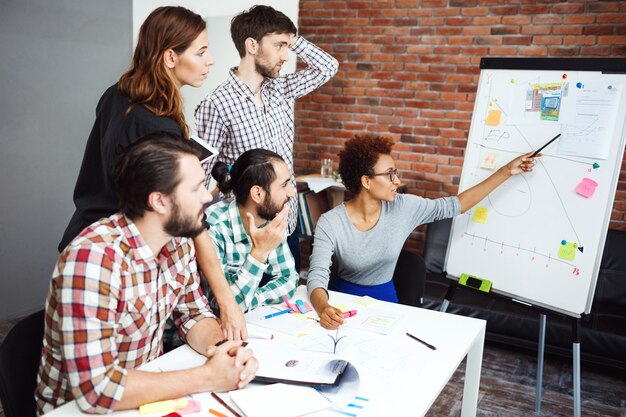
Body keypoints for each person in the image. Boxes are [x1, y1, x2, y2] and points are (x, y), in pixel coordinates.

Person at [57, 6, 247, 340]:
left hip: (84, 236)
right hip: (116, 257)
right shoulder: (158, 124)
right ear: (170, 57)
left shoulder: (117, 94)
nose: (211, 60)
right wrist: (226, 299)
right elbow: (192, 221)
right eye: (201, 52)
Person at [35, 133, 258, 416]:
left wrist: (224, 351)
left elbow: (194, 314)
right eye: (196, 188)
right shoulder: (93, 261)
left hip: (148, 395)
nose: (207, 196)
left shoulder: (178, 241)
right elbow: (97, 391)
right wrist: (207, 377)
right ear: (159, 202)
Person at [307, 135, 540, 330]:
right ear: (366, 181)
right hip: (342, 304)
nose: (397, 180)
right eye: (389, 174)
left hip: (386, 305)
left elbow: (457, 204)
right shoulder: (331, 222)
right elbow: (317, 276)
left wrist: (506, 171)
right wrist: (323, 308)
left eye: (395, 172)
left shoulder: (404, 207)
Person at [195, 5, 339, 272]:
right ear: (252, 45)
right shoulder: (216, 104)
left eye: (288, 45)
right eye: (279, 45)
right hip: (246, 232)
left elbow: (328, 67)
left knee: (288, 305)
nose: (286, 55)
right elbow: (202, 177)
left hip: (288, 222)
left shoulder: (281, 89)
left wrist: (292, 37)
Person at [205, 149, 299, 312]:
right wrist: (259, 253)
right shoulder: (213, 227)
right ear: (257, 193)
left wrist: (254, 298)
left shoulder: (269, 216)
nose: (292, 192)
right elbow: (224, 309)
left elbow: (289, 278)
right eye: (284, 185)